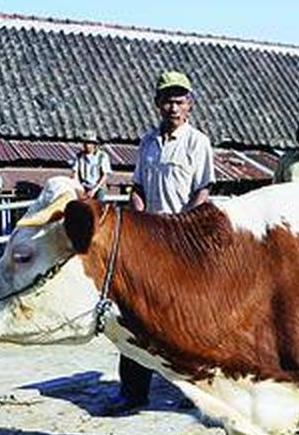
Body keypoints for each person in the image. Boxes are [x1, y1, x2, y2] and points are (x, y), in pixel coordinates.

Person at [101, 69, 215, 417]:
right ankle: (132, 392)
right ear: (157, 104)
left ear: (189, 105)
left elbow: (204, 190)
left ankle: (194, 390)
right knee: (134, 312)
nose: (173, 106)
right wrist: (140, 217)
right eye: (167, 100)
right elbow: (137, 186)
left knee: (188, 315)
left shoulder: (198, 142)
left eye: (179, 100)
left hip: (183, 237)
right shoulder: (147, 142)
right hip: (149, 237)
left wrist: (181, 225)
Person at [70, 131, 111, 199]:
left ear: (94, 144)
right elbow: (75, 173)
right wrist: (78, 186)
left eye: (89, 143)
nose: (86, 145)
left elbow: (105, 175)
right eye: (85, 143)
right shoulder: (79, 156)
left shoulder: (102, 156)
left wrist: (94, 190)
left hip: (98, 187)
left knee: (100, 202)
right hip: (83, 186)